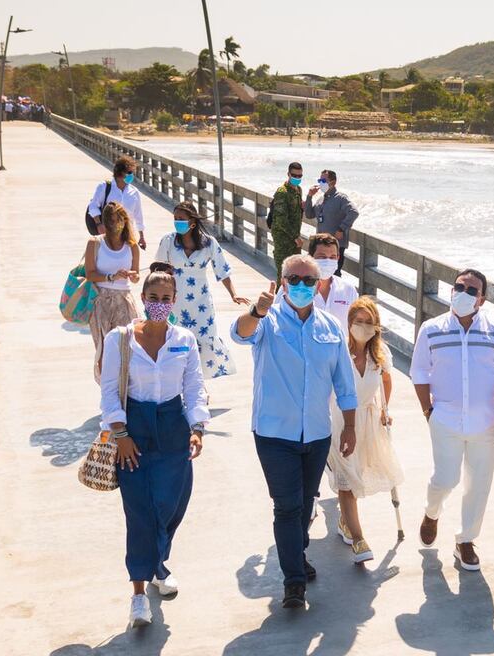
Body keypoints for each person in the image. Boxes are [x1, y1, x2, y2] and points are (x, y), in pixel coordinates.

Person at [231, 254, 357, 610]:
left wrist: (350, 427)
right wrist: (256, 311)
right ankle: (294, 582)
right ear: (283, 281)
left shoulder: (332, 327)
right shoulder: (266, 320)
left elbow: (344, 383)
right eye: (294, 279)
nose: (301, 286)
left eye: (308, 280)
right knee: (287, 506)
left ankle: (296, 553)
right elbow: (239, 334)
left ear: (318, 286)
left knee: (305, 504)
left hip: (316, 434)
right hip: (274, 434)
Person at [100, 263, 211, 628]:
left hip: (173, 428)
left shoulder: (185, 340)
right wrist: (121, 436)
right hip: (134, 431)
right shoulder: (120, 339)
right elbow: (109, 394)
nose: (159, 304)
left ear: (175, 301)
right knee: (139, 513)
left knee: (170, 506)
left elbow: (194, 387)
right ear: (143, 299)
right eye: (153, 298)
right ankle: (137, 595)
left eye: (166, 298)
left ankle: (159, 565)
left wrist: (197, 428)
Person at [410, 268, 494, 572]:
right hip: (444, 419)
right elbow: (419, 372)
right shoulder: (431, 329)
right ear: (451, 290)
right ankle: (432, 512)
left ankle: (466, 540)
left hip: (485, 422)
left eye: (472, 290)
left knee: (479, 484)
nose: (464, 293)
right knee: (446, 478)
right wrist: (427, 411)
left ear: (482, 299)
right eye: (459, 286)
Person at [328, 295, 403, 563]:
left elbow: (386, 380)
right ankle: (359, 539)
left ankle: (345, 522)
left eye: (368, 322)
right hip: (340, 419)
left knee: (358, 474)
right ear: (349, 323)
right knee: (346, 480)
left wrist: (385, 410)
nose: (362, 326)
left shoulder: (380, 354)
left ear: (376, 326)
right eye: (358, 321)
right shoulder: (338, 350)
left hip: (369, 420)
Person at [154, 201, 250, 379]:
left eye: (181, 219)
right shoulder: (168, 241)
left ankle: (199, 384)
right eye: (175, 219)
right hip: (175, 302)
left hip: (201, 303)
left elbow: (222, 270)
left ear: (192, 221)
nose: (177, 222)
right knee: (175, 342)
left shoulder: (209, 243)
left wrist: (233, 294)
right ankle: (177, 384)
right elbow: (157, 271)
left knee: (205, 341)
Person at [85, 202, 140, 382]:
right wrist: (111, 277)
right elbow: (90, 274)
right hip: (101, 301)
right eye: (110, 220)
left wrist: (132, 276)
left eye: (119, 220)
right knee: (103, 348)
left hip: (124, 300)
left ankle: (125, 389)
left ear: (125, 221)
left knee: (127, 347)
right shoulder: (95, 243)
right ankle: (107, 391)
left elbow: (137, 276)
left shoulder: (132, 246)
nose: (115, 224)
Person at [274, 233, 357, 325]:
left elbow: (355, 322)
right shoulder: (292, 287)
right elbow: (276, 320)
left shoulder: (349, 289)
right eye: (322, 257)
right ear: (310, 257)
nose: (328, 261)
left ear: (338, 257)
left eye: (332, 257)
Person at [305, 170, 359, 275]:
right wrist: (309, 197)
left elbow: (354, 212)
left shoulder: (341, 198)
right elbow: (309, 214)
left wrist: (341, 229)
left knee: (334, 275)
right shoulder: (321, 199)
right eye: (320, 180)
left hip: (335, 247)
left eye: (324, 180)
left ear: (333, 182)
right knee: (319, 275)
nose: (321, 183)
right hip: (320, 245)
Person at [87, 156, 147, 250]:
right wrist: (99, 224)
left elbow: (138, 215)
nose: (132, 175)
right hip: (107, 234)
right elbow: (93, 206)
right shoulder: (104, 187)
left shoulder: (134, 192)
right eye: (129, 172)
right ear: (120, 172)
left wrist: (142, 237)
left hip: (127, 235)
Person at [269, 162, 305, 277]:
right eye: (294, 175)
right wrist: (295, 237)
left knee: (295, 275)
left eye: (300, 176)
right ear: (288, 174)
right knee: (283, 276)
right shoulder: (282, 192)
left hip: (294, 242)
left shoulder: (298, 190)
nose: (297, 178)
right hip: (283, 241)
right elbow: (281, 220)